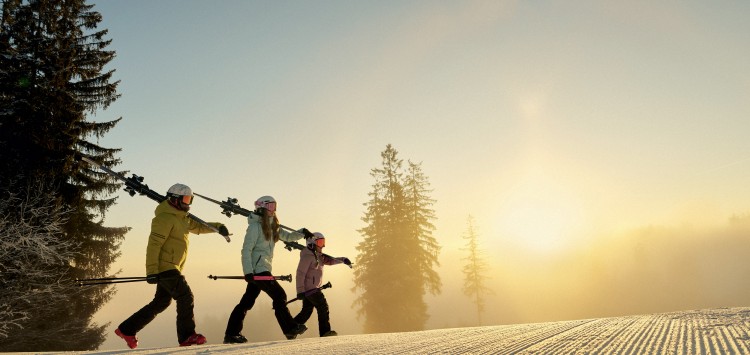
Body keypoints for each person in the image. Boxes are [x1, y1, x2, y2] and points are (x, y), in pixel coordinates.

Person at [115, 183, 230, 349]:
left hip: (173, 266)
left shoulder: (181, 218)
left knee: (161, 302)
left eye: (190, 199)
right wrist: (152, 271)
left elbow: (198, 227)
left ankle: (127, 329)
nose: (188, 203)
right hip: (165, 267)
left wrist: (218, 227)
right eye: (185, 199)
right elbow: (154, 245)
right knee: (185, 296)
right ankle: (187, 336)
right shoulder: (164, 218)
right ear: (174, 199)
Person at [223, 195, 311, 344]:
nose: (273, 210)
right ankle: (289, 328)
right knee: (279, 295)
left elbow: (288, 237)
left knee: (246, 302)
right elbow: (246, 250)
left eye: (275, 206)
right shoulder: (255, 227)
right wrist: (248, 272)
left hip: (262, 268)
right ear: (262, 208)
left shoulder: (273, 226)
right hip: (258, 270)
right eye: (270, 206)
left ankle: (232, 334)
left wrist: (302, 232)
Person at [293, 232, 351, 337]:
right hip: (310, 289)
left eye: (323, 242)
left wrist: (343, 260)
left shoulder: (319, 256)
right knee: (323, 306)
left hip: (312, 289)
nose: (323, 245)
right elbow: (300, 274)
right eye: (320, 242)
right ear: (312, 243)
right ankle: (325, 332)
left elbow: (331, 260)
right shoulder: (307, 256)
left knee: (307, 311)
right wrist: (300, 291)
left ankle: (291, 328)